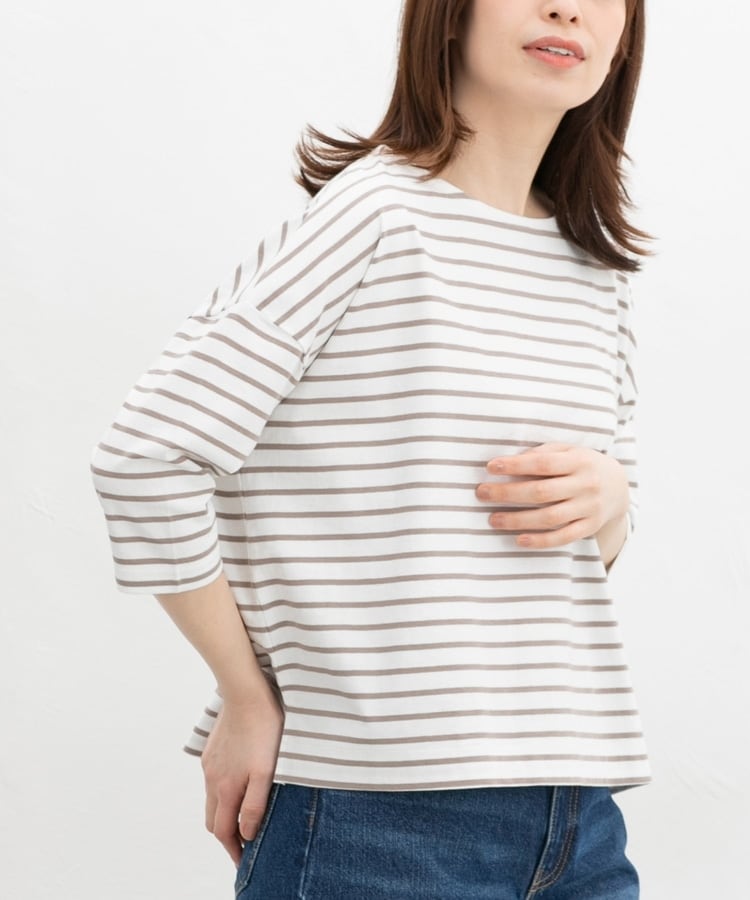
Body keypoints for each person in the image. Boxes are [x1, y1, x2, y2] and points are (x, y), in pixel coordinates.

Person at [91, 0, 652, 896]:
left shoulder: (592, 264)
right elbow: (146, 454)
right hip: (373, 816)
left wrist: (611, 496)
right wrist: (247, 697)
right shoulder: (375, 216)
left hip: (578, 817)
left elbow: (579, 561)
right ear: (449, 15)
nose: (566, 7)